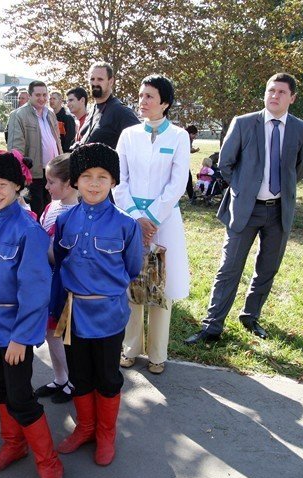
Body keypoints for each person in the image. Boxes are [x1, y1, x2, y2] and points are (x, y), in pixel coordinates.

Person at [185, 73, 303, 344]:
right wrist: (245, 189)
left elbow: (299, 170)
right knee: (229, 268)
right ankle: (212, 326)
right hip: (245, 209)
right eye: (270, 90)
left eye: (281, 92)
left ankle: (250, 316)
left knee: (267, 268)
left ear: (292, 98)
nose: (274, 96)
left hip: (279, 211)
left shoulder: (301, 129)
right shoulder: (243, 123)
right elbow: (226, 163)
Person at [0, 151, 64, 478]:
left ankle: (49, 462)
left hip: (14, 332)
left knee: (21, 397)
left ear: (18, 186)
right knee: (0, 387)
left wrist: (22, 338)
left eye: (1, 185)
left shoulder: (29, 231)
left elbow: (35, 291)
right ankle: (13, 445)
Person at [53, 142, 143, 465]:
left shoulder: (126, 224)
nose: (94, 184)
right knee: (80, 374)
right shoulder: (65, 221)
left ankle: (106, 434)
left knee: (107, 377)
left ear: (113, 181)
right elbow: (60, 260)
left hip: (108, 314)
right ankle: (86, 427)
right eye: (87, 176)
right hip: (74, 313)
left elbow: (133, 267)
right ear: (75, 181)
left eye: (102, 177)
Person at [114, 75, 191, 375]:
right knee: (132, 280)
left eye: (149, 96)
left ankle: (158, 353)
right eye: (141, 95)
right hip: (131, 220)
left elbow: (177, 183)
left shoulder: (179, 136)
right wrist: (137, 216)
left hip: (165, 220)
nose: (142, 101)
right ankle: (130, 347)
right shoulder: (128, 135)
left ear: (165, 103)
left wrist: (153, 218)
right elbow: (119, 180)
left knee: (161, 284)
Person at [34, 153, 79, 403]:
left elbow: (61, 254)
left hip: (61, 284)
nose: (46, 186)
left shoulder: (75, 213)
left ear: (69, 183)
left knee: (59, 333)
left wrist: (36, 248)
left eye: (51, 182)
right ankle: (60, 378)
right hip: (47, 280)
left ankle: (72, 381)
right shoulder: (52, 207)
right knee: (51, 333)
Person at [6, 80, 62, 217]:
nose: (42, 98)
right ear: (30, 95)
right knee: (36, 212)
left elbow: (57, 141)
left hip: (52, 172)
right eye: (38, 95)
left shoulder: (50, 114)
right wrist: (21, 172)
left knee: (51, 211)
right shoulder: (19, 115)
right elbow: (15, 148)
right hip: (33, 175)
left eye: (44, 95)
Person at [76, 62, 140, 149]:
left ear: (111, 81)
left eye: (100, 79)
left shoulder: (120, 111)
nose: (95, 83)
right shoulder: (93, 109)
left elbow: (140, 141)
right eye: (92, 79)